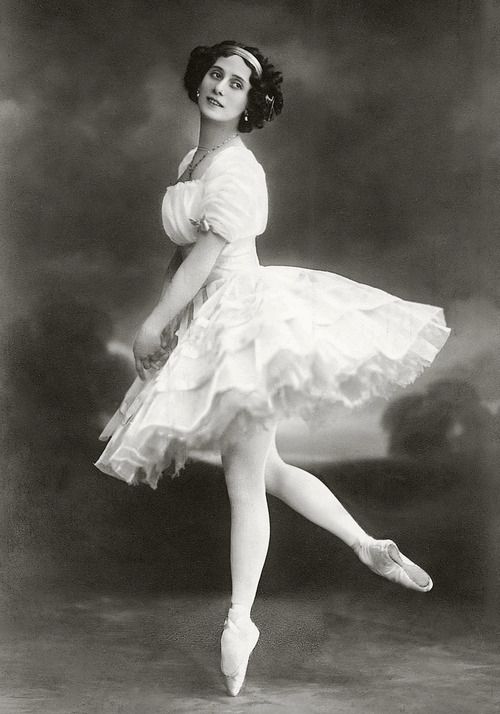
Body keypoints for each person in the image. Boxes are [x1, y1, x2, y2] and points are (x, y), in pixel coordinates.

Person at [95, 41, 450, 697]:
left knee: (244, 479)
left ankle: (240, 622)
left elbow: (209, 257)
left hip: (245, 321)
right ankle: (366, 544)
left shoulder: (238, 169)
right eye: (215, 74)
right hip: (211, 318)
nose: (221, 87)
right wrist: (172, 321)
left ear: (250, 103)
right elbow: (184, 260)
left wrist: (151, 322)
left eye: (237, 83)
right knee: (267, 469)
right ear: (199, 79)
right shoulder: (191, 162)